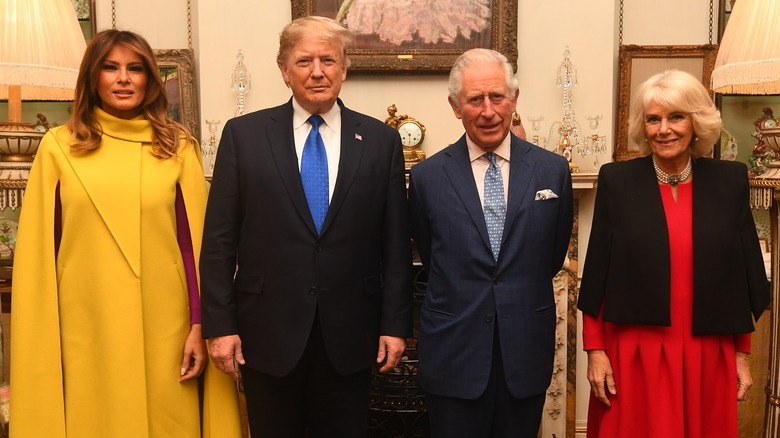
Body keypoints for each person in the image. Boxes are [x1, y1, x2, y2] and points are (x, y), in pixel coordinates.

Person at [9, 30, 241, 438]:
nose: (123, 79)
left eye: (135, 69)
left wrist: (199, 325)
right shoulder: (59, 147)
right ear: (92, 78)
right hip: (85, 325)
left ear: (150, 79)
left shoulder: (178, 147)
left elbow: (196, 249)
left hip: (167, 328)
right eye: (110, 68)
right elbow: (42, 251)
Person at [199, 16, 412, 437]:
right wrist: (221, 327)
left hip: (352, 334)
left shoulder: (380, 141)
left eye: (328, 60)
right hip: (266, 332)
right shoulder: (244, 136)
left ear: (344, 67)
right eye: (304, 61)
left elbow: (396, 245)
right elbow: (219, 241)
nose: (318, 71)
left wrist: (395, 324)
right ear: (284, 70)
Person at [577, 69, 770, 438]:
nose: (664, 129)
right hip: (634, 353)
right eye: (654, 119)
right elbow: (597, 273)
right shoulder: (617, 181)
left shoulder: (730, 181)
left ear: (696, 122)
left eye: (676, 117)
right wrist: (596, 351)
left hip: (708, 351)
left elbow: (740, 279)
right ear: (643, 126)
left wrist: (740, 357)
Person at [408, 48, 573, 437]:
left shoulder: (552, 171)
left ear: (514, 99)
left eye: (497, 97)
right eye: (474, 99)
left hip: (525, 352)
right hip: (453, 353)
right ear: (454, 106)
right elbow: (432, 258)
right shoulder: (428, 177)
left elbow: (550, 256)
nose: (488, 111)